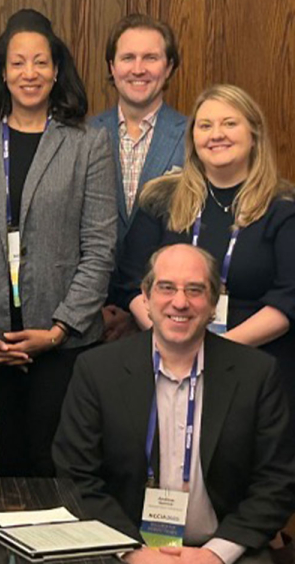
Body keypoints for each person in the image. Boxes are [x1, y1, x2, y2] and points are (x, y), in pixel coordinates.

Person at [0, 8, 117, 477]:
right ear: (3, 71)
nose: (29, 73)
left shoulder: (88, 144)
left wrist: (59, 330)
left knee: (53, 470)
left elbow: (100, 248)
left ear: (57, 70)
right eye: (18, 63)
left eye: (40, 62)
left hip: (63, 347)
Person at [54, 244, 295, 564]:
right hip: (119, 547)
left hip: (225, 550)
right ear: (146, 297)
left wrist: (215, 554)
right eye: (166, 287)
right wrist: (132, 552)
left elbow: (277, 482)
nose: (179, 302)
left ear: (213, 302)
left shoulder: (257, 374)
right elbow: (76, 476)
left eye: (195, 290)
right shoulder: (97, 370)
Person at [113, 84, 295, 441]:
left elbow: (289, 297)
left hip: (258, 367)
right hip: (167, 368)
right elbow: (129, 281)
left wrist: (213, 350)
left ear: (254, 134)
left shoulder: (283, 206)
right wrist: (173, 340)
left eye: (229, 124)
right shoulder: (160, 198)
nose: (216, 135)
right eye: (205, 125)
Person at [90, 14, 187, 342]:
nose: (138, 69)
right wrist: (92, 312)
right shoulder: (81, 136)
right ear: (112, 67)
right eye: (128, 57)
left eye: (151, 58)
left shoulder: (195, 139)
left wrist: (139, 314)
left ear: (169, 67)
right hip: (89, 321)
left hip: (168, 313)